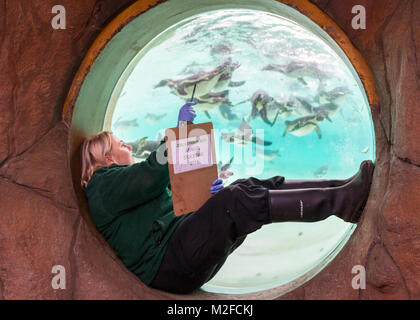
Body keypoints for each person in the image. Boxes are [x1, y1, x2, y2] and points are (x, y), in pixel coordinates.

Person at [81, 101, 375, 294]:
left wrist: (207, 202)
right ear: (107, 158)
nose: (127, 147)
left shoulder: (123, 192)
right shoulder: (101, 186)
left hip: (182, 254)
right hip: (169, 265)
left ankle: (341, 188)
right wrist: (179, 132)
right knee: (237, 201)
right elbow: (150, 174)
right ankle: (342, 203)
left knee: (245, 187)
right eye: (121, 144)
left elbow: (172, 205)